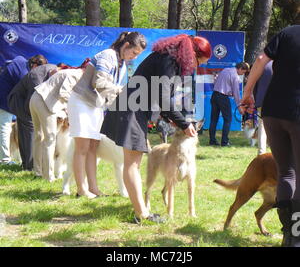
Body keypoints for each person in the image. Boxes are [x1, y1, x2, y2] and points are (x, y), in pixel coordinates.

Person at [101, 34, 212, 223]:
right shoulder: (168, 60)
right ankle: (142, 214)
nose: (196, 66)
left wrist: (171, 118)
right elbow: (163, 96)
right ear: (191, 53)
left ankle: (140, 211)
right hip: (131, 110)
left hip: (134, 109)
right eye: (198, 61)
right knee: (132, 164)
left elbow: (157, 94)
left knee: (132, 162)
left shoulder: (167, 58)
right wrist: (183, 123)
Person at [240, 25, 300, 247]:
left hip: (272, 112)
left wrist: (247, 93)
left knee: (286, 173)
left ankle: (289, 235)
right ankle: (296, 237)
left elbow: (259, 59)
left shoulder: (288, 32)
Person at [67, 31, 147, 199]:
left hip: (96, 105)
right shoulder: (107, 55)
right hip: (81, 101)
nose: (134, 57)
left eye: (137, 55)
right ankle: (81, 190)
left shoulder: (122, 65)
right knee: (82, 147)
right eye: (133, 52)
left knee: (93, 148)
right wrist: (123, 91)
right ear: (126, 45)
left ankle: (94, 189)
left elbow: (110, 93)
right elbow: (99, 82)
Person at [29, 59, 90, 181]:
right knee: (50, 139)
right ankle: (49, 176)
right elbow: (64, 93)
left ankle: (38, 171)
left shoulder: (72, 73)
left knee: (38, 136)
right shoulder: (76, 75)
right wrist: (73, 107)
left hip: (35, 98)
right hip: (45, 102)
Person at [7, 63, 58, 171]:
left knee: (25, 134)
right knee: (31, 132)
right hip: (20, 102)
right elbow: (32, 99)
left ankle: (27, 164)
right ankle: (31, 166)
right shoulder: (37, 77)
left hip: (23, 100)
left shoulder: (51, 70)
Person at [0, 55, 47, 164]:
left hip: (5, 96)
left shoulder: (21, 59)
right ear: (35, 65)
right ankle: (5, 160)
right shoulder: (24, 74)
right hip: (3, 99)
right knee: (5, 129)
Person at [209, 62, 250, 147]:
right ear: (240, 68)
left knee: (213, 119)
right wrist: (240, 107)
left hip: (214, 95)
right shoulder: (235, 76)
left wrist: (228, 92)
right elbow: (236, 93)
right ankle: (224, 142)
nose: (242, 74)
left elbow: (217, 81)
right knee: (228, 119)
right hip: (223, 98)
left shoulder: (225, 70)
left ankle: (212, 141)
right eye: (243, 72)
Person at [253, 61, 273, 155]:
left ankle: (261, 152)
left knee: (262, 126)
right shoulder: (283, 64)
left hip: (262, 101)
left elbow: (255, 85)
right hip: (278, 102)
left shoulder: (262, 65)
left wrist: (256, 100)